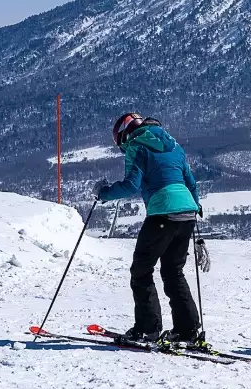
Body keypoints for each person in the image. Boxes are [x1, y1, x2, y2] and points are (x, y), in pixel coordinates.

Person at [95, 113, 202, 345]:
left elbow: (130, 185)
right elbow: (191, 183)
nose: (122, 147)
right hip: (187, 213)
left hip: (163, 212)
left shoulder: (137, 145)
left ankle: (148, 329)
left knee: (142, 270)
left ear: (125, 134)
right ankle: (188, 330)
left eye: (120, 142)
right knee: (174, 272)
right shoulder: (175, 146)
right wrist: (196, 208)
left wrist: (103, 193)